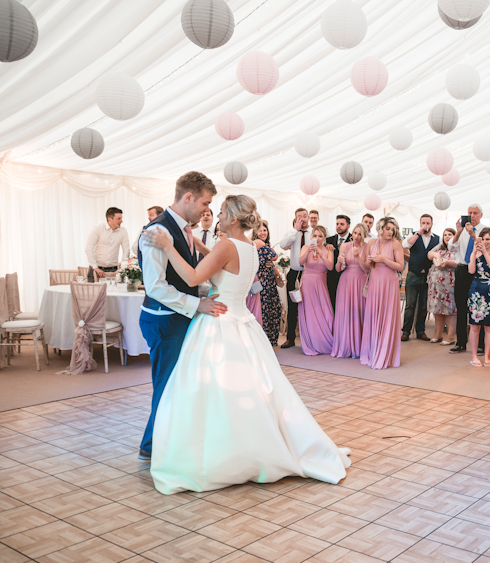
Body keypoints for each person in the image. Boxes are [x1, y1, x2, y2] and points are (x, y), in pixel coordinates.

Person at [142, 194, 350, 494]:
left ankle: (226, 453)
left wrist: (168, 247)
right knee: (254, 390)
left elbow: (193, 275)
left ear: (235, 218)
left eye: (223, 212)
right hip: (243, 322)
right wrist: (199, 245)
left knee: (214, 392)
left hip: (219, 322)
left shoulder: (226, 245)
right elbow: (223, 263)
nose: (218, 216)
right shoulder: (251, 246)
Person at [136, 172, 224, 461]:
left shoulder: (187, 231)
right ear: (188, 197)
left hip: (179, 317)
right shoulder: (157, 232)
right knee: (167, 384)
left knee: (179, 383)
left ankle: (170, 440)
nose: (207, 210)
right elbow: (156, 286)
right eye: (205, 203)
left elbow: (183, 277)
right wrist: (197, 305)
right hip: (163, 320)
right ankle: (151, 447)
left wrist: (203, 294)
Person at [361, 217, 404, 369]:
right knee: (373, 315)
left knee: (386, 316)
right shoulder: (372, 243)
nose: (390, 232)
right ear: (380, 228)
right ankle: (372, 351)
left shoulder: (396, 244)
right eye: (387, 228)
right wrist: (366, 260)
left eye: (392, 229)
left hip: (389, 283)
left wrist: (383, 259)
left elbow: (400, 266)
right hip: (374, 282)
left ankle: (385, 354)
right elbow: (367, 266)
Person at [332, 224, 370, 359]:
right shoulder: (344, 246)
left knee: (360, 312)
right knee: (345, 312)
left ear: (364, 235)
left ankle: (360, 346)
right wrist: (339, 261)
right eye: (355, 233)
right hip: (346, 282)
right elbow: (337, 269)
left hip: (360, 280)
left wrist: (358, 256)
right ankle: (345, 344)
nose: (356, 236)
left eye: (359, 234)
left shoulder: (367, 247)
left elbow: (367, 269)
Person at [449, 204, 483, 353]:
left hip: (478, 270)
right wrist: (458, 232)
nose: (472, 215)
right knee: (461, 306)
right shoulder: (461, 230)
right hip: (462, 269)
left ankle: (480, 344)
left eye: (475, 213)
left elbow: (483, 246)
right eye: (470, 213)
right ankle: (461, 342)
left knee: (478, 307)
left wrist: (472, 234)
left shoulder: (485, 230)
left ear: (481, 215)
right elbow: (451, 248)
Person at [297, 225, 335, 356]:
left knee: (327, 314)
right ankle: (312, 343)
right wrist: (308, 252)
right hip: (307, 282)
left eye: (320, 236)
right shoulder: (305, 247)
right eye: (315, 235)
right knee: (310, 313)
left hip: (321, 283)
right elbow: (300, 262)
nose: (317, 238)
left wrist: (320, 254)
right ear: (311, 236)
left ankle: (325, 342)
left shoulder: (328, 249)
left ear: (324, 238)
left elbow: (330, 267)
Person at [467, 227, 490, 366]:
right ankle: (474, 356)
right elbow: (471, 270)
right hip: (476, 291)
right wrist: (475, 251)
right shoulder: (475, 253)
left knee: (489, 326)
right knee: (474, 326)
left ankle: (487, 355)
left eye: (488, 239)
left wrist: (486, 253)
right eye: (483, 239)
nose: (485, 242)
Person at [277, 208, 312, 349]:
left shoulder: (314, 232)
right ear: (296, 218)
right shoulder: (292, 233)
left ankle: (309, 338)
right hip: (294, 272)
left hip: (309, 274)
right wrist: (294, 230)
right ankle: (290, 338)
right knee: (292, 307)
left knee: (309, 307)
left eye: (305, 216)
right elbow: (283, 245)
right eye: (299, 216)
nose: (302, 218)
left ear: (308, 217)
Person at [402, 214, 440, 342]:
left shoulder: (437, 239)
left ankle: (420, 331)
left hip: (428, 276)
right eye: (423, 223)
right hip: (413, 274)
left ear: (432, 224)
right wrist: (419, 232)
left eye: (428, 223)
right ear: (420, 224)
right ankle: (406, 331)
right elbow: (405, 245)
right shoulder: (414, 235)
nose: (426, 225)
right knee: (410, 305)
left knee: (423, 306)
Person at [246, 220, 282, 347]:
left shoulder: (264, 245)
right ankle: (262, 339)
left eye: (265, 230)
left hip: (270, 282)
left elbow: (271, 263)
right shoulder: (256, 244)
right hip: (260, 282)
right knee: (263, 310)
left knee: (274, 309)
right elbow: (275, 256)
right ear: (255, 232)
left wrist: (277, 275)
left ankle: (271, 339)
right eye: (260, 230)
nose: (263, 232)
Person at [427, 228, 458, 345]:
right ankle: (438, 334)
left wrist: (447, 262)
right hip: (436, 285)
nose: (447, 237)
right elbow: (429, 254)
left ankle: (450, 336)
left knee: (449, 309)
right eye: (445, 235)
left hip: (450, 284)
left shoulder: (458, 248)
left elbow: (460, 261)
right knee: (437, 309)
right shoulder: (440, 247)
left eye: (450, 234)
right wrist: (436, 255)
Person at [86, 207, 130, 278]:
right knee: (93, 289)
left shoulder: (123, 231)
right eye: (119, 219)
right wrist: (95, 267)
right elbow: (88, 248)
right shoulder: (97, 228)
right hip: (95, 270)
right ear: (109, 219)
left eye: (121, 218)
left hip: (114, 271)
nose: (121, 221)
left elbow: (126, 250)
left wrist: (121, 268)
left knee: (116, 289)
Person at [325, 215, 352, 310]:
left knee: (345, 306)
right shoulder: (328, 241)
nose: (338, 226)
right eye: (337, 224)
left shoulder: (354, 240)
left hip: (348, 279)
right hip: (331, 278)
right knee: (331, 304)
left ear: (348, 226)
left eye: (342, 224)